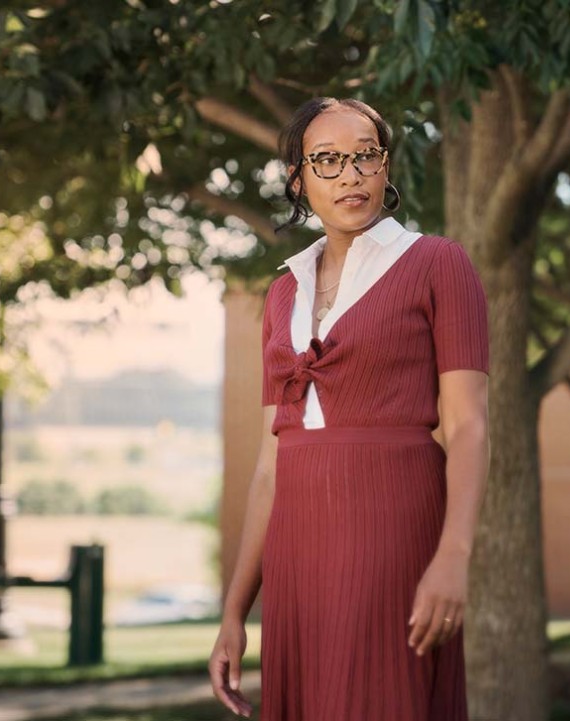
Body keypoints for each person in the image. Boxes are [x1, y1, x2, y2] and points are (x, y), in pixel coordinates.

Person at [208, 97, 490, 720]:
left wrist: (455, 555)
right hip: (296, 543)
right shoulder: (283, 291)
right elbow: (268, 464)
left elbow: (469, 426)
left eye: (365, 156)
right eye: (328, 161)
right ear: (298, 178)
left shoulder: (439, 263)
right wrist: (234, 610)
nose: (350, 175)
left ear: (386, 168)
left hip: (394, 520)